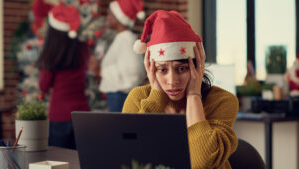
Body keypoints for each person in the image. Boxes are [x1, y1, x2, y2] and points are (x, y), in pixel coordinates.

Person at [123, 10, 239, 169]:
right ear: (151, 68)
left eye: (182, 69)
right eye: (162, 70)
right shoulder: (138, 98)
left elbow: (202, 162)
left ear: (198, 66)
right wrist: (156, 95)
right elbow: (132, 156)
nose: (172, 81)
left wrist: (193, 95)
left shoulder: (222, 101)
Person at [36, 3, 90, 149]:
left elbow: (43, 86)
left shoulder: (51, 54)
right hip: (82, 114)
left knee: (59, 160)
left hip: (59, 115)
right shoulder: (82, 48)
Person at [93, 0, 146, 112]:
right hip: (116, 97)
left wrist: (100, 71)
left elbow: (133, 73)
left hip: (120, 98)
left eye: (110, 14)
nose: (107, 17)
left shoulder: (126, 39)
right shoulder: (121, 38)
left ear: (119, 17)